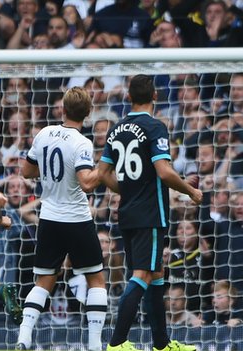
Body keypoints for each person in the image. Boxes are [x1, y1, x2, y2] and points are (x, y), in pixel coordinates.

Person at [97, 74, 203, 351]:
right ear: (155, 97)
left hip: (128, 213)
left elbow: (102, 173)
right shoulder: (155, 126)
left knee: (156, 274)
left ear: (129, 97)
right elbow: (165, 171)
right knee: (143, 275)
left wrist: (127, 190)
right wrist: (189, 191)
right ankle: (117, 343)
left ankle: (162, 345)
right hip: (150, 213)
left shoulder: (117, 128)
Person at [16, 87, 108, 351]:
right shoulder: (82, 143)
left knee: (43, 281)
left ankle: (24, 338)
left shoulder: (43, 134)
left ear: (63, 110)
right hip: (77, 218)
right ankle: (94, 344)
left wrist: (47, 173)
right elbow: (87, 183)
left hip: (49, 218)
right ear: (88, 114)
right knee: (96, 280)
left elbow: (25, 171)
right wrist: (104, 165)